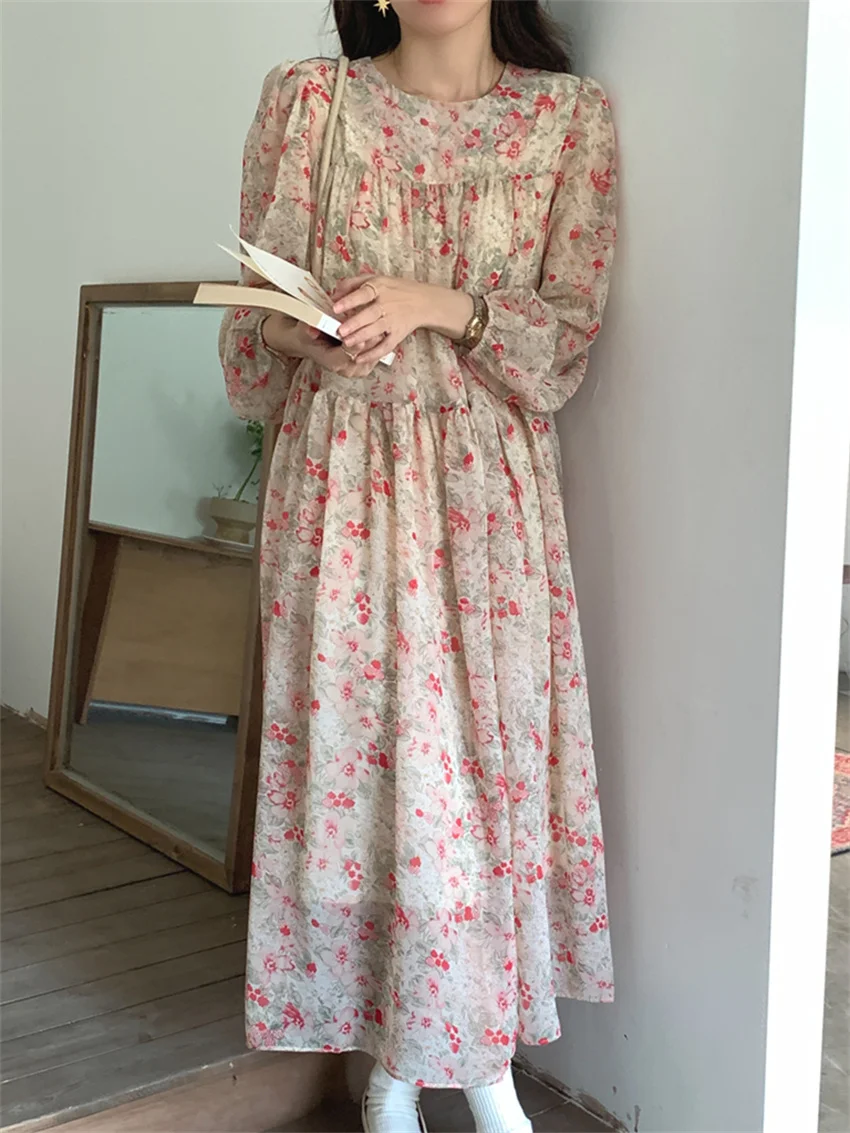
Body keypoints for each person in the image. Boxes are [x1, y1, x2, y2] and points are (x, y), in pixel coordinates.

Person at [219, 1, 617, 1130]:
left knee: (480, 774)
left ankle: (456, 1064)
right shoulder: (311, 102)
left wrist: (438, 305)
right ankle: (409, 1064)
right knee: (374, 768)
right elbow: (250, 339)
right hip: (342, 484)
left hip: (489, 493)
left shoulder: (567, 119)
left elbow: (566, 338)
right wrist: (297, 329)